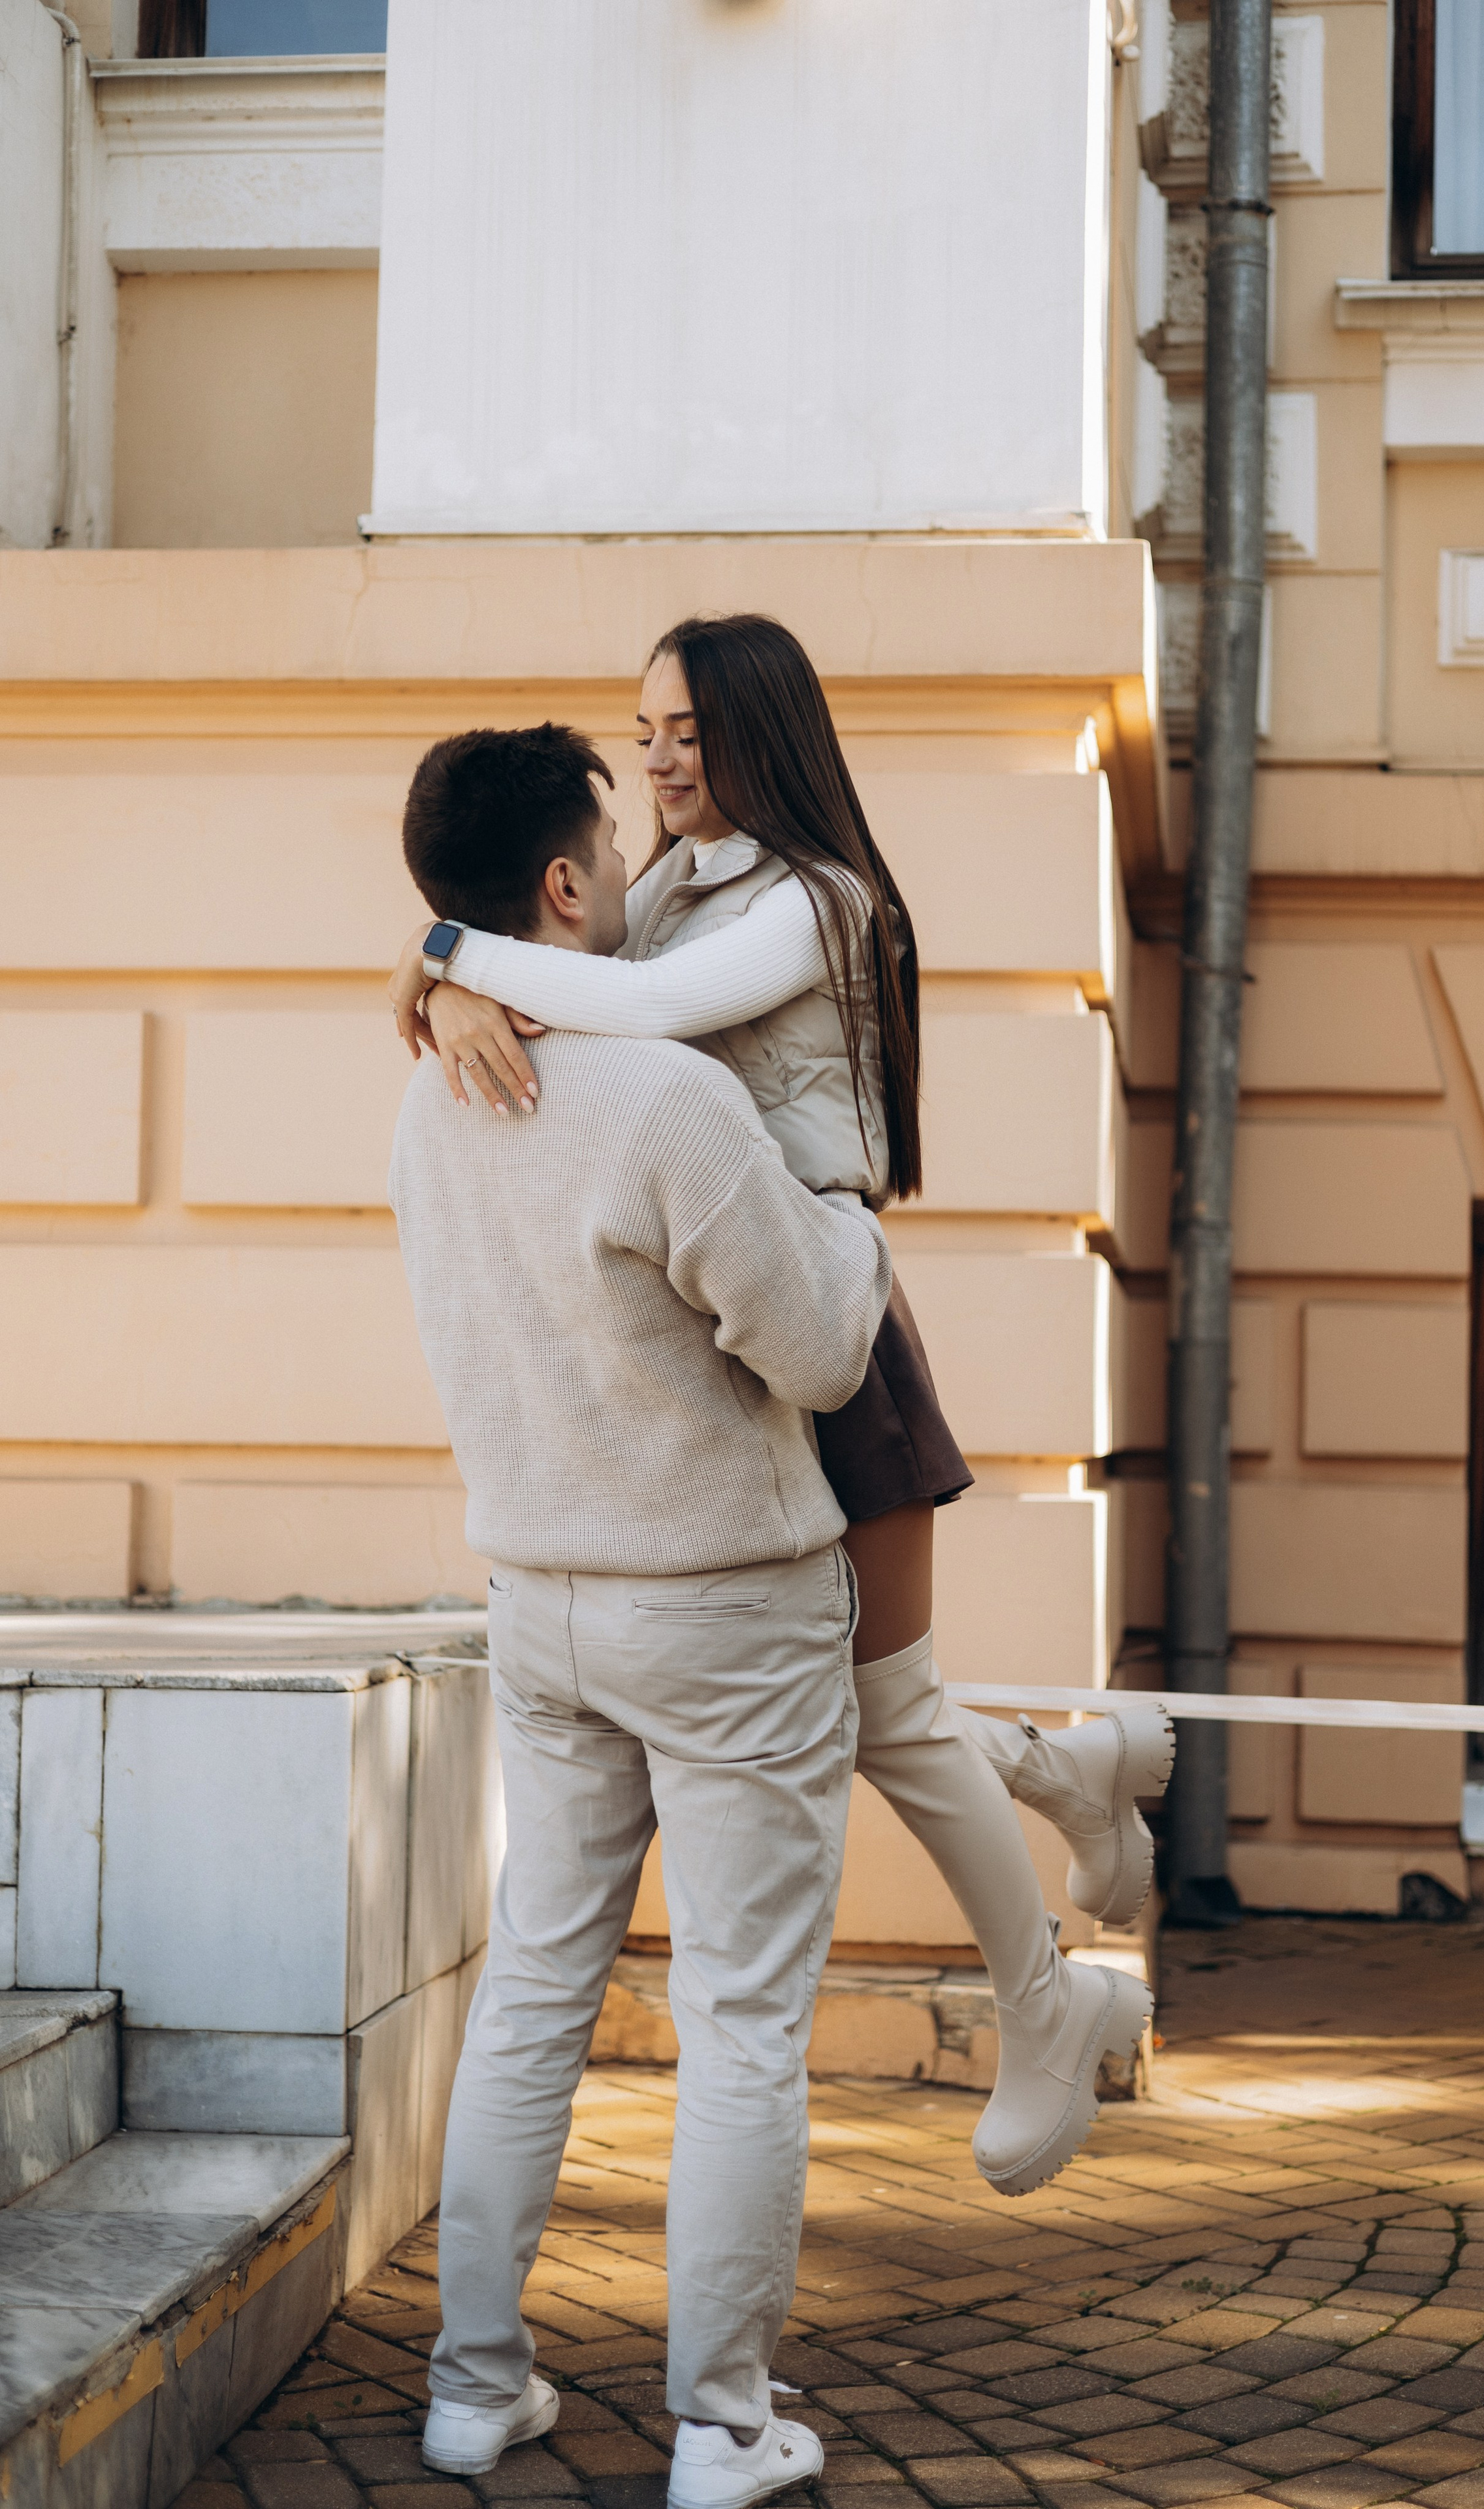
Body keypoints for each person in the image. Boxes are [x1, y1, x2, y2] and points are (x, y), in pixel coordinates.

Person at [390, 614, 1171, 2198]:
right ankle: (1069, 1780)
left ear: (762, 732)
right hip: (726, 1328)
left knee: (886, 1707)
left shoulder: (819, 900)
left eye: (688, 730)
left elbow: (642, 1018)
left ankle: (1045, 2007)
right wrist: (441, 972)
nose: (661, 759)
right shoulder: (666, 880)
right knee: (884, 1709)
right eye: (645, 730)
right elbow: (574, 956)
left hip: (830, 1318)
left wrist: (445, 962)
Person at [389, 722, 893, 2502]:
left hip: (542, 1601)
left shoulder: (426, 1097)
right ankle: (724, 2426)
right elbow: (824, 1344)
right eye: (608, 851)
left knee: (536, 1989)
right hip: (730, 1611)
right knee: (745, 2020)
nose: (628, 879)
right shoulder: (671, 1099)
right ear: (558, 887)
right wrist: (848, 1208)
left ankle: (470, 2388)